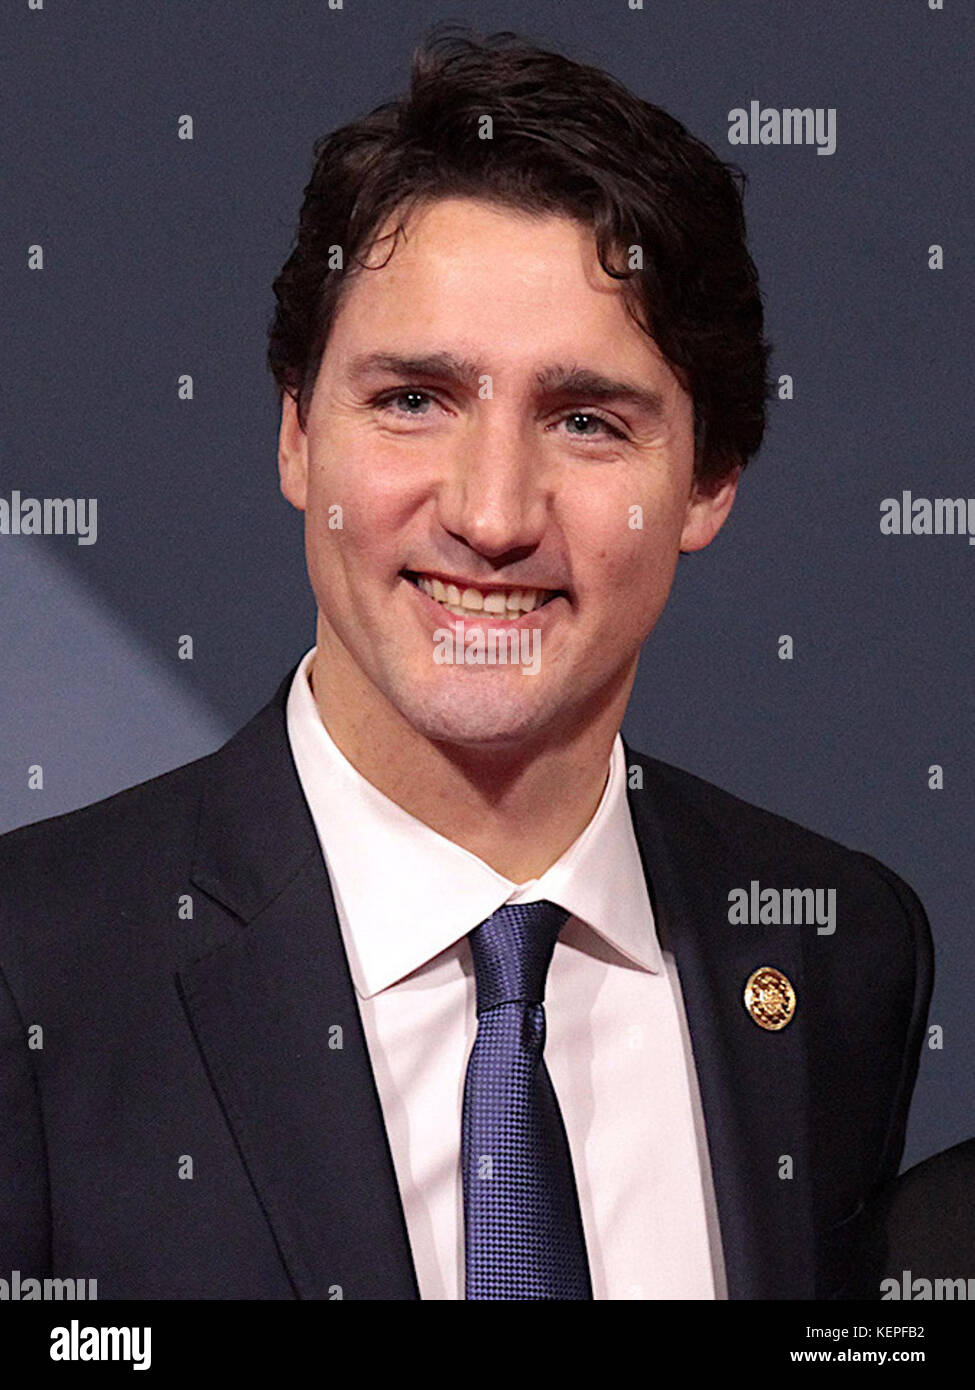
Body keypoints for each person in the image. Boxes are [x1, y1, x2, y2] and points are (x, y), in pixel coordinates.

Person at [0, 29, 933, 1301]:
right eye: (414, 400)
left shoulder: (837, 948)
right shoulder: (33, 968)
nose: (493, 514)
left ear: (711, 479)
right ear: (296, 437)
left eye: (587, 420)